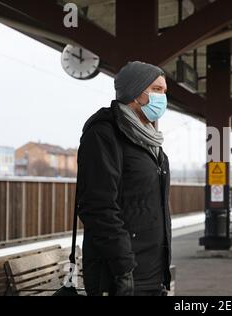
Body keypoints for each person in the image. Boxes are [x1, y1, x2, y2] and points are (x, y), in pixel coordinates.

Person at [76, 61, 171, 296]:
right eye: (157, 90)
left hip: (152, 272)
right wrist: (123, 266)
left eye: (164, 91)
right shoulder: (105, 134)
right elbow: (98, 206)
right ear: (136, 93)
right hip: (118, 275)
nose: (163, 98)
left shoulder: (150, 141)